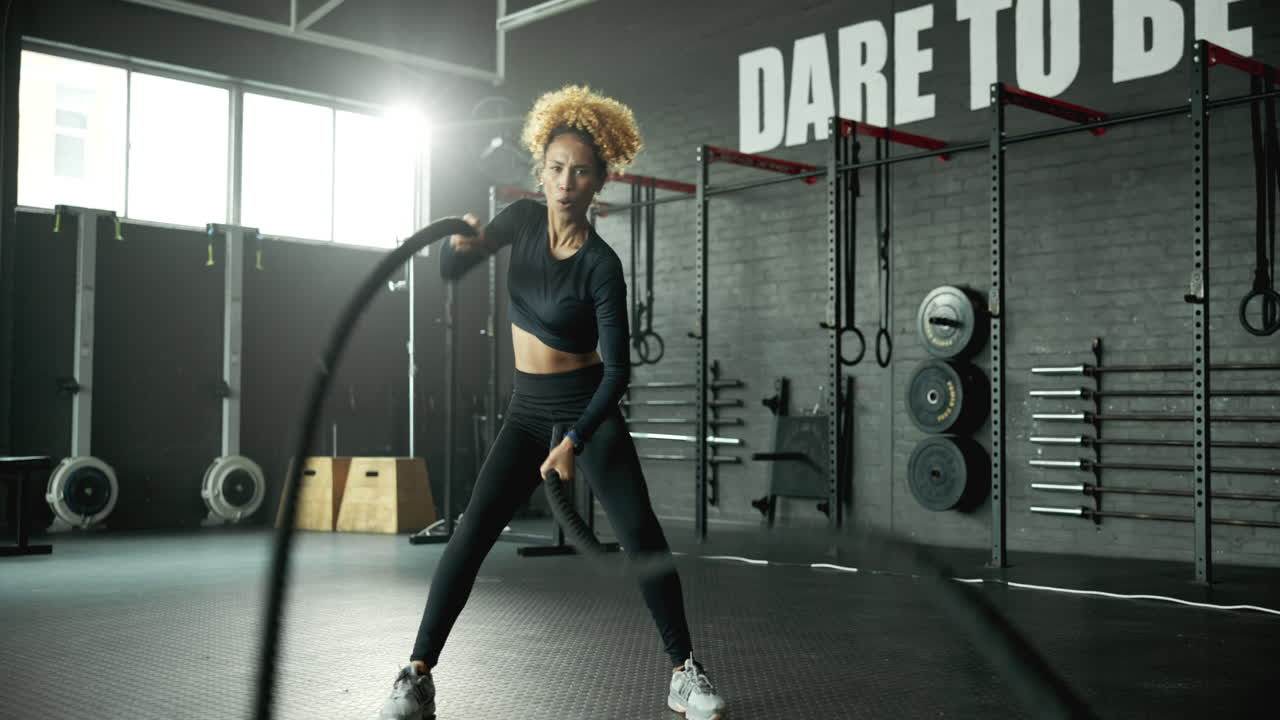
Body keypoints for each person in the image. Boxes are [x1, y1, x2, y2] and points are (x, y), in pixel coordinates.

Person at [378, 85, 727, 720]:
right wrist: (457, 250)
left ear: (600, 182)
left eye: (582, 172)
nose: (567, 182)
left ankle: (684, 671)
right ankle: (418, 672)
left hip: (584, 408)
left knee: (642, 535)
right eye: (557, 168)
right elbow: (450, 278)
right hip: (526, 408)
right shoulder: (516, 222)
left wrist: (575, 440)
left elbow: (618, 373)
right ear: (541, 171)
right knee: (471, 533)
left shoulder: (601, 265)